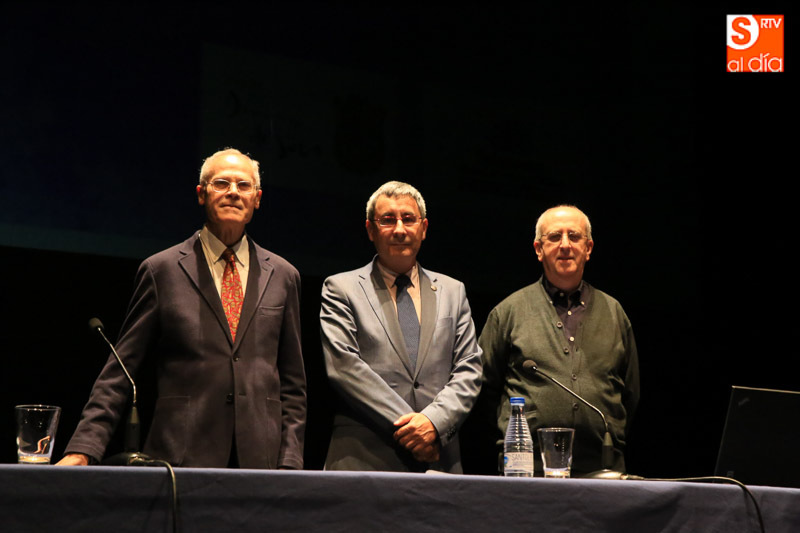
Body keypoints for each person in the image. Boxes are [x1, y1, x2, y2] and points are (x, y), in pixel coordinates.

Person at [58, 148, 306, 469]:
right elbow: (121, 368)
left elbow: (293, 385)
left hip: (262, 459)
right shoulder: (161, 270)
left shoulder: (284, 275)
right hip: (181, 456)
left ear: (257, 199)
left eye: (243, 186)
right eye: (221, 184)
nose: (233, 192)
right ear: (201, 195)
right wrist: (85, 448)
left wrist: (289, 461)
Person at [320, 181, 482, 472]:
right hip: (364, 458)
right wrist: (415, 431)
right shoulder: (340, 288)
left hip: (439, 460)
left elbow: (470, 368)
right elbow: (343, 367)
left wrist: (433, 422)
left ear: (424, 228)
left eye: (408, 219)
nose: (399, 229)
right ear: (370, 230)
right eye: (387, 220)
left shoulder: (453, 291)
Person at [478, 205, 639, 476]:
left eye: (574, 237)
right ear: (539, 249)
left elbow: (631, 393)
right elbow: (482, 387)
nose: (565, 245)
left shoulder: (614, 312)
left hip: (602, 466)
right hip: (528, 469)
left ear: (588, 248)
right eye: (554, 237)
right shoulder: (508, 312)